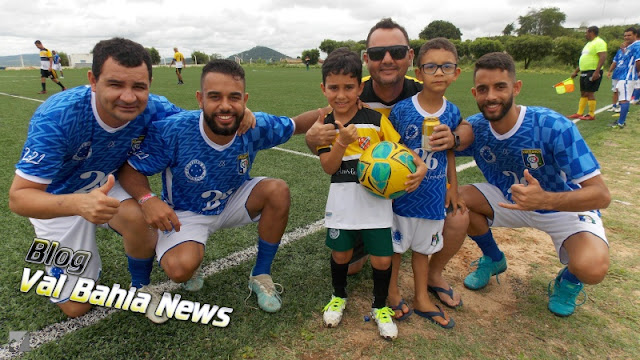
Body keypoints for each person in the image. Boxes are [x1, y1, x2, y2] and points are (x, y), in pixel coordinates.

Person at [117, 59, 320, 314]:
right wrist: (147, 198)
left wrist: (336, 108)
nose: (225, 106)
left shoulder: (254, 126)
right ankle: (186, 257)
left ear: (245, 99)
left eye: (234, 97)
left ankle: (261, 275)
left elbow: (298, 124)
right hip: (186, 212)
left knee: (277, 190)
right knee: (179, 270)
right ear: (200, 98)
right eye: (215, 97)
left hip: (233, 199)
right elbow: (130, 168)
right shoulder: (175, 129)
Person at [9, 38, 183, 322]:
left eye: (139, 86)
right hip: (58, 199)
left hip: (106, 184)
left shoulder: (154, 107)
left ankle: (141, 287)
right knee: (77, 308)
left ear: (149, 84)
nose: (128, 97)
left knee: (142, 215)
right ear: (93, 80)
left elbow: (198, 126)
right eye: (115, 84)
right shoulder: (58, 116)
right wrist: (79, 204)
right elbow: (19, 197)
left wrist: (245, 116)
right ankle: (55, 262)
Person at [305, 18, 472, 309]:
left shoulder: (425, 86)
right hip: (368, 191)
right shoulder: (354, 91)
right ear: (366, 58)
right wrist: (309, 136)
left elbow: (464, 123)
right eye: (378, 53)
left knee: (458, 217)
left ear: (409, 56)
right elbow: (319, 120)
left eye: (396, 51)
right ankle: (378, 249)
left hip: (414, 186)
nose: (387, 59)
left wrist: (455, 139)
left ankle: (433, 275)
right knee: (354, 266)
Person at [456, 52, 611, 317]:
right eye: (483, 89)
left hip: (561, 205)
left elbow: (601, 196)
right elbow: (435, 149)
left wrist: (546, 200)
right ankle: (493, 258)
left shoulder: (552, 126)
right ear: (474, 93)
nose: (491, 96)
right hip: (509, 199)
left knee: (593, 267)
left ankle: (569, 281)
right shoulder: (476, 128)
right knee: (456, 200)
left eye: (500, 87)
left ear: (516, 88)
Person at [316, 48, 426, 340]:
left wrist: (420, 165)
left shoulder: (375, 120)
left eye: (348, 87)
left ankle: (380, 307)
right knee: (341, 254)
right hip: (342, 201)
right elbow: (328, 167)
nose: (341, 95)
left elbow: (400, 149)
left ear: (359, 87)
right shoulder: (325, 126)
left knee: (381, 259)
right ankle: (338, 296)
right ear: (323, 89)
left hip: (377, 202)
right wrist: (341, 141)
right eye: (334, 88)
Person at [387, 38, 467, 329]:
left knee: (423, 250)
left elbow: (450, 153)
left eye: (446, 66)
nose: (439, 73)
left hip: (433, 198)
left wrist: (453, 187)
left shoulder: (453, 112)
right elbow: (392, 147)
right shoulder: (402, 110)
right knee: (396, 249)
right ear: (418, 73)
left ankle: (422, 296)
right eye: (431, 67)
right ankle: (392, 291)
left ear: (456, 73)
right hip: (403, 196)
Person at [567, 26, 607, 121]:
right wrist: (575, 72)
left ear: (591, 32)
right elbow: (584, 59)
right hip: (584, 71)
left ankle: (591, 114)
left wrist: (597, 71)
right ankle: (579, 113)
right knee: (583, 92)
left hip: (593, 71)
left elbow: (603, 57)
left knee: (589, 92)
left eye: (586, 32)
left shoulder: (599, 42)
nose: (585, 34)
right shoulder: (589, 44)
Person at [610, 27, 640, 130]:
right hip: (623, 76)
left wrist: (638, 72)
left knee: (624, 99)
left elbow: (638, 61)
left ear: (635, 35)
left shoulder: (637, 45)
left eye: (629, 35)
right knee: (622, 98)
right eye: (625, 35)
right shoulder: (631, 46)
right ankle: (620, 122)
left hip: (628, 77)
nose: (626, 37)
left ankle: (621, 123)